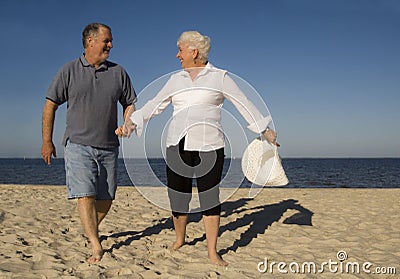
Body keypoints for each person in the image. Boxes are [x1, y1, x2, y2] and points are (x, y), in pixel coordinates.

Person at [117, 31, 278, 266]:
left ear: (194, 51)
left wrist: (264, 130)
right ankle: (180, 239)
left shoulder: (220, 77)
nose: (177, 54)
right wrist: (131, 123)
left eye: (180, 50)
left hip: (210, 146)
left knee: (210, 198)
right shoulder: (176, 80)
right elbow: (155, 105)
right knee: (178, 195)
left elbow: (244, 103)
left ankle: (212, 251)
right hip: (176, 144)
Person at [41, 23, 136, 263]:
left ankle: (89, 228)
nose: (111, 45)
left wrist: (127, 123)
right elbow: (50, 104)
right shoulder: (69, 70)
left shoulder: (119, 72)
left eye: (111, 41)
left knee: (106, 197)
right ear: (91, 41)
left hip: (109, 146)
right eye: (107, 40)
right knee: (86, 194)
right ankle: (95, 243)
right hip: (78, 144)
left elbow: (130, 103)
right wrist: (47, 141)